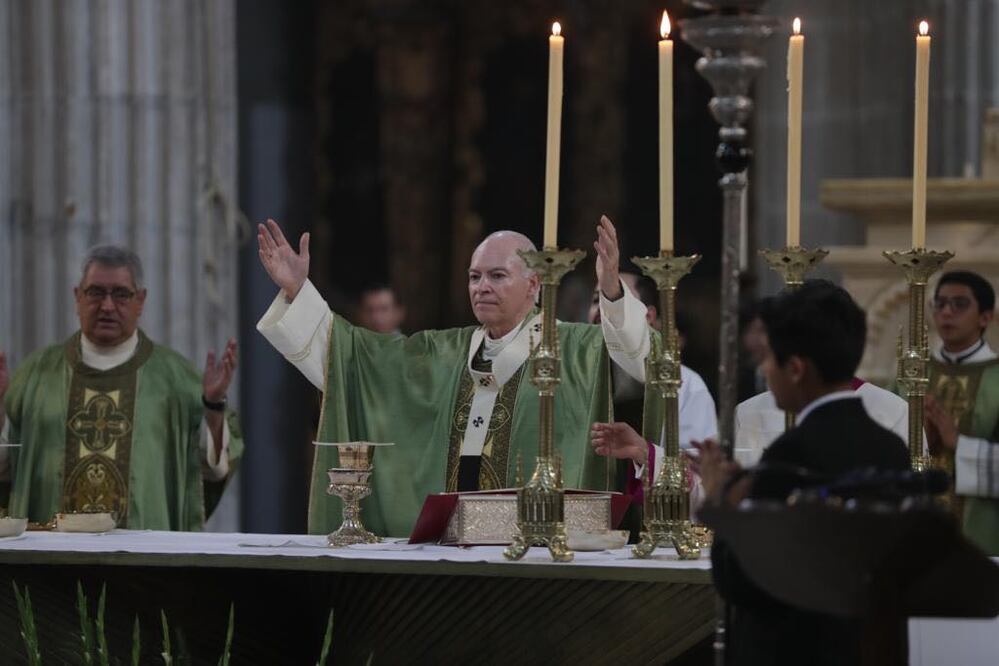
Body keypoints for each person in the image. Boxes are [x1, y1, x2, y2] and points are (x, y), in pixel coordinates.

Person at [256, 216, 657, 537]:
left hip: (538, 547)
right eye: (474, 276)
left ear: (534, 284)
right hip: (451, 543)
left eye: (497, 276)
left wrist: (612, 293)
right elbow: (357, 360)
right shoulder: (442, 353)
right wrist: (298, 292)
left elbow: (645, 359)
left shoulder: (576, 349)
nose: (482, 287)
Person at [691, 280, 909, 666]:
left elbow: (741, 580)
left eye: (768, 359)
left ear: (795, 369)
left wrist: (722, 500)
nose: (764, 370)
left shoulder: (790, 453)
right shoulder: (889, 447)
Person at [0, 246, 243, 530]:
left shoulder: (177, 380)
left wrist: (213, 406)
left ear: (140, 300)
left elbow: (212, 472)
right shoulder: (35, 376)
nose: (107, 306)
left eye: (120, 294)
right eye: (95, 292)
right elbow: (5, 468)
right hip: (54, 551)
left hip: (144, 553)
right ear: (77, 297)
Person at [587, 272, 717, 484]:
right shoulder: (573, 378)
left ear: (648, 316)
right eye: (596, 300)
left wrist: (644, 454)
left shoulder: (685, 384)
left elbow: (702, 477)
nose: (604, 309)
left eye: (619, 301)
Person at [924, 270, 999, 554]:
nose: (946, 312)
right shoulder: (912, 375)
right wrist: (920, 442)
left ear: (985, 317)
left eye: (959, 304)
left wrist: (959, 444)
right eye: (940, 303)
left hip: (982, 531)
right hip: (916, 528)